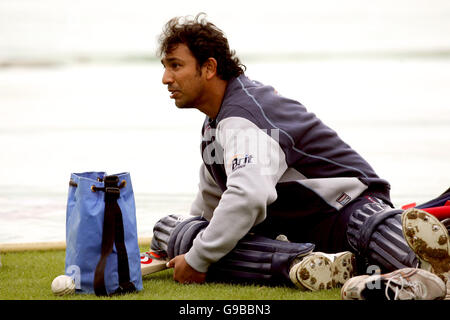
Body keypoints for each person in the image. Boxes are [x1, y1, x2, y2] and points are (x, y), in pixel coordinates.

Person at [147, 13, 450, 298]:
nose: (165, 78)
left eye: (175, 66)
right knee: (173, 228)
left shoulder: (243, 117)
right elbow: (212, 202)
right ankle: (319, 265)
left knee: (367, 227)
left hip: (347, 210)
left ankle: (425, 270)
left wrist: (199, 258)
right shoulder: (215, 122)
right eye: (165, 66)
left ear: (209, 68)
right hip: (303, 239)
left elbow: (248, 195)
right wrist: (189, 242)